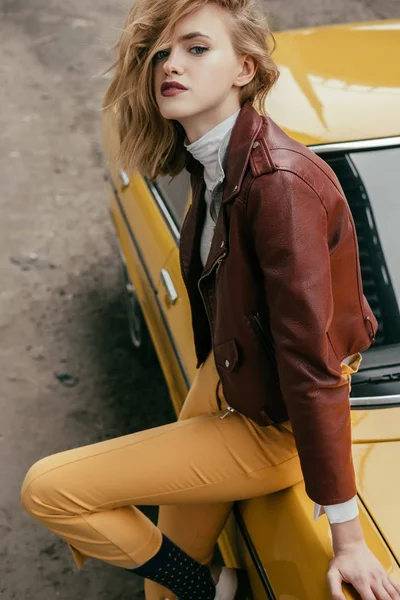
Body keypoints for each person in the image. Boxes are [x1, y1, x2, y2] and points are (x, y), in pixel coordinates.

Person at [20, 1, 400, 599]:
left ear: (244, 69)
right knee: (161, 591)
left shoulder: (278, 185)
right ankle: (198, 585)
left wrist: (349, 539)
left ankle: (202, 586)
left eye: (197, 49)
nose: (173, 64)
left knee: (47, 488)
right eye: (163, 53)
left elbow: (311, 363)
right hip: (227, 383)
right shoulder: (216, 163)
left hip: (272, 428)